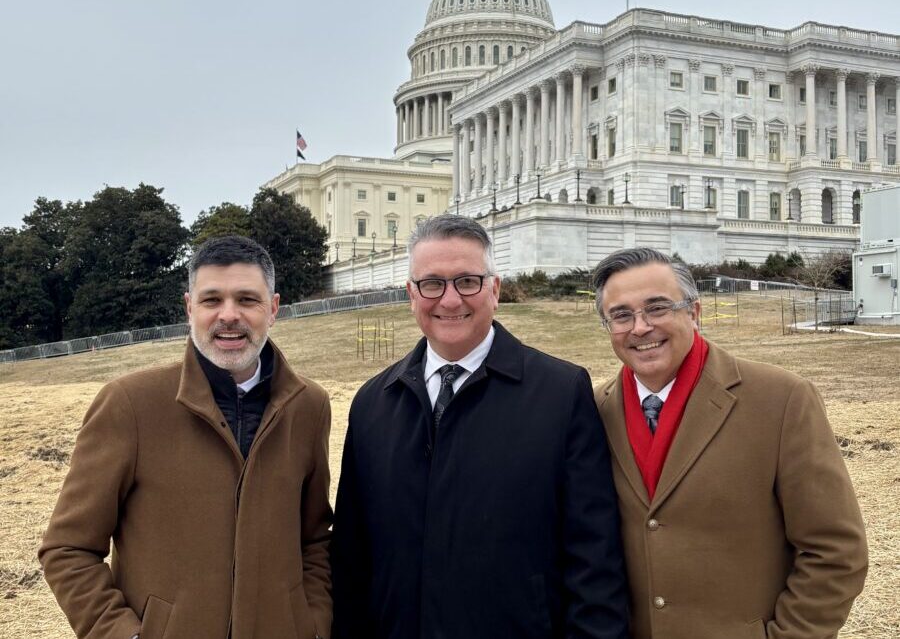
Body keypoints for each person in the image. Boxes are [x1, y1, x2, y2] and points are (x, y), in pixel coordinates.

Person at [331, 214, 629, 639]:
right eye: (432, 284)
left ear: (495, 288)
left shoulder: (561, 392)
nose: (450, 300)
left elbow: (594, 557)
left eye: (467, 281)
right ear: (411, 295)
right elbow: (351, 559)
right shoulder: (372, 403)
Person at [39, 235, 332, 639]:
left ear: (274, 308)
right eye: (212, 300)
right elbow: (67, 549)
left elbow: (314, 539)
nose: (229, 315)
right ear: (189, 307)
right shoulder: (129, 404)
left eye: (247, 300)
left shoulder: (309, 406)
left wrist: (312, 624)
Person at [591, 247, 867, 638]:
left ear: (695, 312)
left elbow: (835, 552)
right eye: (621, 315)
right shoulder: (594, 410)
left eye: (657, 308)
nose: (640, 327)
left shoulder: (781, 399)